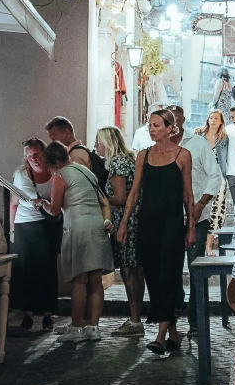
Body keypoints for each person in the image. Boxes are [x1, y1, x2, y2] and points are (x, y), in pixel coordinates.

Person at [119, 107, 193, 355]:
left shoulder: (183, 155)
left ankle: (160, 336)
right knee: (152, 274)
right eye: (150, 125)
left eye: (157, 125)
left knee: (169, 275)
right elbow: (135, 191)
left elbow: (187, 195)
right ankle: (173, 334)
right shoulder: (143, 155)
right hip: (147, 223)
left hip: (172, 224)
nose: (152, 129)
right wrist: (124, 223)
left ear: (170, 129)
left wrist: (190, 227)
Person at [51, 142, 111, 335]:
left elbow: (54, 209)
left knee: (79, 279)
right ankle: (93, 327)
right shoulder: (87, 172)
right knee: (95, 279)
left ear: (54, 163)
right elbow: (104, 201)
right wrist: (107, 220)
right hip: (96, 225)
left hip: (78, 227)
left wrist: (41, 204)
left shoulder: (60, 175)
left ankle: (76, 327)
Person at [10, 138, 61, 333]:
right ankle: (27, 315)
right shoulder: (21, 175)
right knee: (25, 270)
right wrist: (12, 230)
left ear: (44, 153)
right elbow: (14, 203)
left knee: (47, 268)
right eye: (29, 155)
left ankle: (47, 314)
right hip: (24, 224)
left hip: (47, 223)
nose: (34, 159)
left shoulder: (54, 172)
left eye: (36, 154)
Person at [95, 125, 142, 335]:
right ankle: (135, 318)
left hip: (126, 222)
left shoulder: (118, 163)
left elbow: (121, 198)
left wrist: (100, 201)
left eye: (99, 141)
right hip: (132, 220)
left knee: (129, 270)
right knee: (133, 270)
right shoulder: (127, 159)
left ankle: (134, 320)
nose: (96, 145)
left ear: (108, 142)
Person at [186, 117, 224, 264]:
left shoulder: (200, 142)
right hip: (171, 216)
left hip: (198, 209)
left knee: (196, 263)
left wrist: (201, 203)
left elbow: (215, 175)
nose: (213, 120)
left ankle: (209, 245)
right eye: (211, 118)